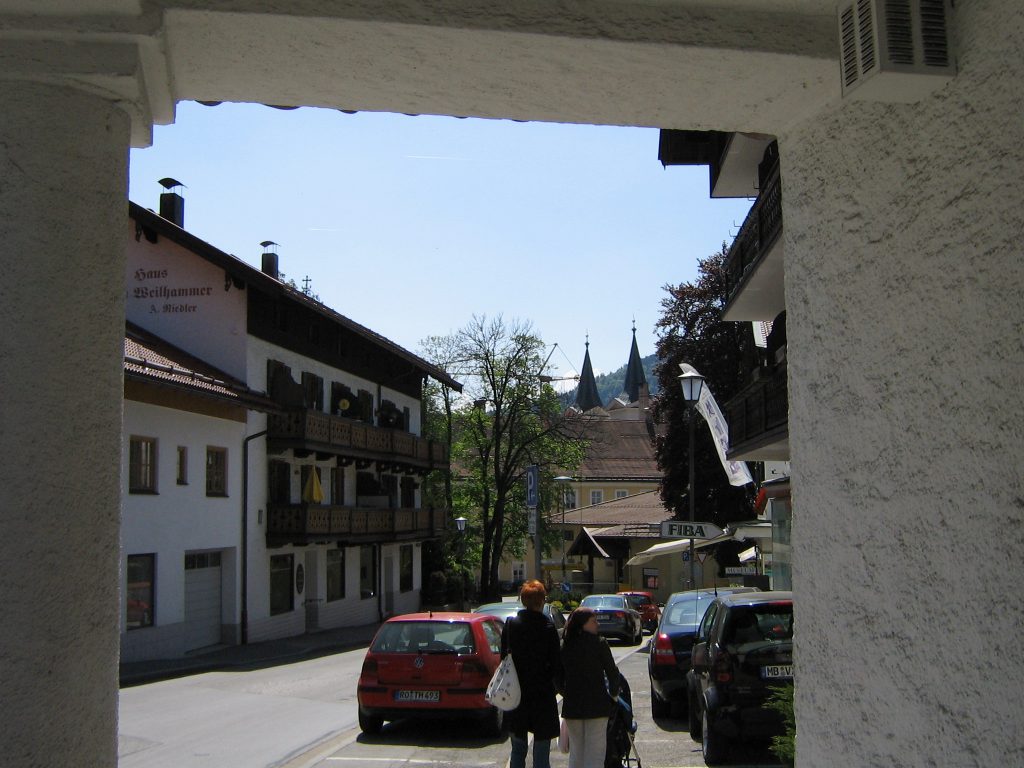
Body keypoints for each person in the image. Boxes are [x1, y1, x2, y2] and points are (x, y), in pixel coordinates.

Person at [501, 579, 564, 768]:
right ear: (542, 600)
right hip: (542, 695)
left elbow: (504, 659)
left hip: (516, 693)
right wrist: (561, 688)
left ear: (523, 600)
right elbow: (556, 663)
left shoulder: (511, 625)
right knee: (542, 751)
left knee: (518, 749)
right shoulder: (547, 627)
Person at [560, 607, 620, 768]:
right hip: (597, 705)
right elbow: (613, 673)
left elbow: (557, 676)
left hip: (572, 706)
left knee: (576, 753)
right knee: (595, 754)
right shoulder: (599, 643)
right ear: (583, 624)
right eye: (593, 621)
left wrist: (565, 692)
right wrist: (613, 696)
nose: (597, 624)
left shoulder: (564, 645)